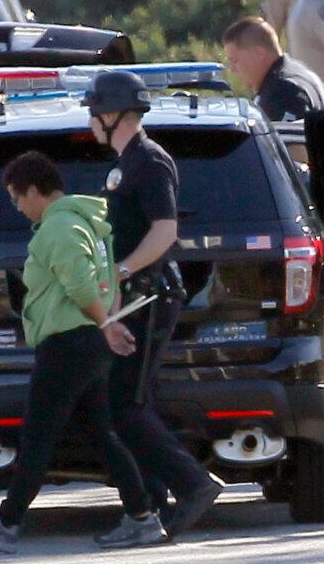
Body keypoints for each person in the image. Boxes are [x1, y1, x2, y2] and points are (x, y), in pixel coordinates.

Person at [0, 152, 166, 553]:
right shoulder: (88, 224)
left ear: (34, 190)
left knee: (38, 435)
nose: (17, 207)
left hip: (68, 344)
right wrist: (107, 322)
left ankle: (7, 522)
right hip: (87, 343)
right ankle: (142, 516)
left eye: (17, 197)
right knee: (101, 433)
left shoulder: (60, 227)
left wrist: (106, 323)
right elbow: (107, 279)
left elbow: (81, 285)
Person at [82, 71, 224, 539]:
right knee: (132, 402)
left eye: (93, 111)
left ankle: (194, 485)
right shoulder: (126, 163)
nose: (90, 121)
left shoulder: (149, 160)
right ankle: (148, 507)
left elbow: (164, 231)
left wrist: (121, 273)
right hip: (135, 296)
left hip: (151, 294)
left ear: (112, 114)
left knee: (126, 405)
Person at [222, 15, 324, 121]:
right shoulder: (301, 73)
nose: (233, 69)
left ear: (259, 53)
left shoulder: (283, 91)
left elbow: (291, 148)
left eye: (235, 60)